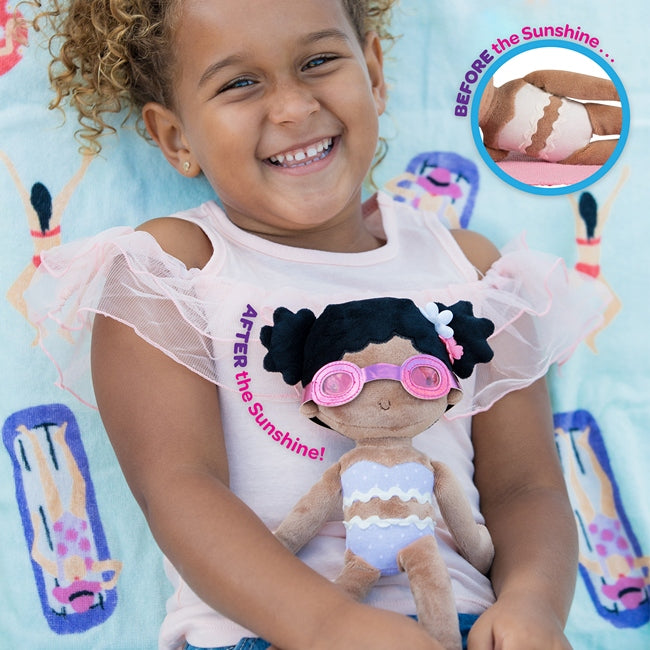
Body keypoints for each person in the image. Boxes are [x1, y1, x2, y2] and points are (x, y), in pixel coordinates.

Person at [24, 1, 610, 649]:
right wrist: (328, 625)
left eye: (320, 61)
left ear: (375, 73)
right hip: (263, 632)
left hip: (462, 628)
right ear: (175, 138)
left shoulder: (472, 268)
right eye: (239, 83)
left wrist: (533, 602)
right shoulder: (174, 265)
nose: (294, 108)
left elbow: (526, 484)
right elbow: (177, 484)